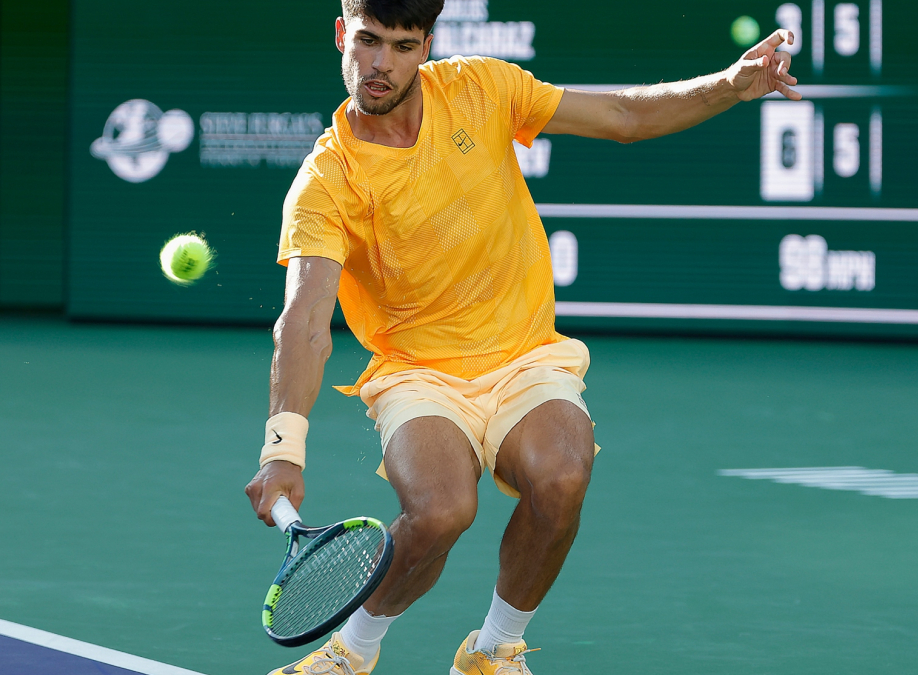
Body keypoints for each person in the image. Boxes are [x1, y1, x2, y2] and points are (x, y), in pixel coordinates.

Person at [245, 1, 799, 673]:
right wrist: (284, 446)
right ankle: (351, 653)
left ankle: (493, 649)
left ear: (426, 45)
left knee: (564, 472)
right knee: (442, 510)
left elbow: (623, 116)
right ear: (343, 35)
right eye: (367, 41)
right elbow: (305, 319)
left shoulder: (483, 88)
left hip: (525, 355)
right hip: (419, 371)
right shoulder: (325, 181)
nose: (380, 64)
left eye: (401, 44)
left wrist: (728, 85)